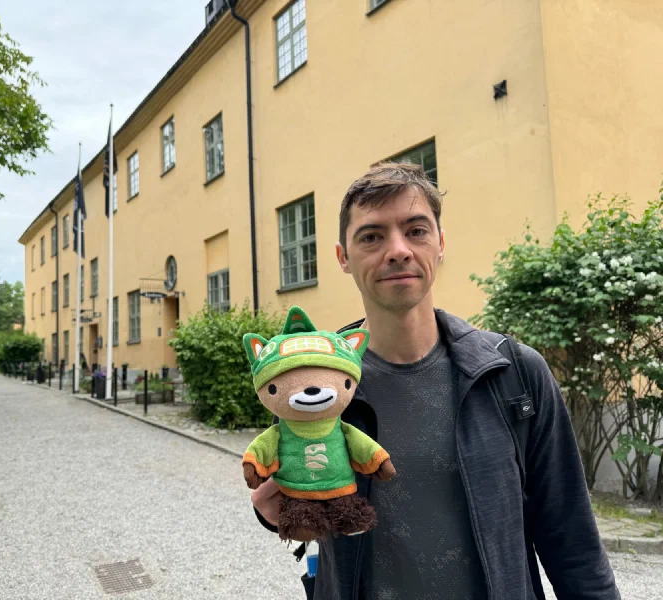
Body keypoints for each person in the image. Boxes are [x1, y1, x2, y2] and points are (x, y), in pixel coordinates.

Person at [250, 163, 621, 600]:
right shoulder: (316, 383)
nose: (398, 250)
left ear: (440, 244)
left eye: (417, 230)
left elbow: (571, 539)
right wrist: (277, 512)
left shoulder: (512, 374)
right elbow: (303, 490)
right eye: (371, 236)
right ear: (342, 258)